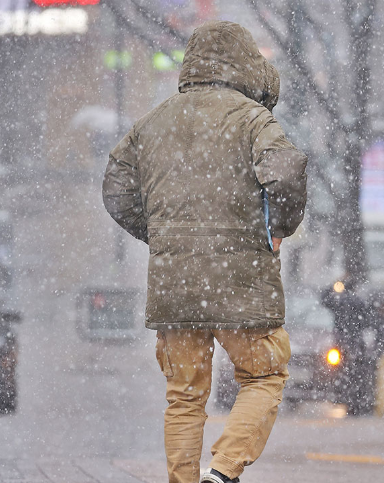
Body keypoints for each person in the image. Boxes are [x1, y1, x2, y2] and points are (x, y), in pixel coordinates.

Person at [103, 21, 307, 483]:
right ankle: (223, 471)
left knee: (184, 396)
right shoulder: (253, 119)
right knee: (264, 375)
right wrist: (278, 228)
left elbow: (116, 189)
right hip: (240, 279)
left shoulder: (153, 122)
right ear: (245, 63)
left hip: (175, 283)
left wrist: (161, 234)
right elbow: (286, 171)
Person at [320, 278, 375, 415]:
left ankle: (344, 396)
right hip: (356, 343)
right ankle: (356, 401)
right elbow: (368, 321)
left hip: (341, 342)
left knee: (341, 371)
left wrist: (334, 284)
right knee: (357, 374)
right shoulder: (360, 302)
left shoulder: (339, 301)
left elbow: (323, 298)